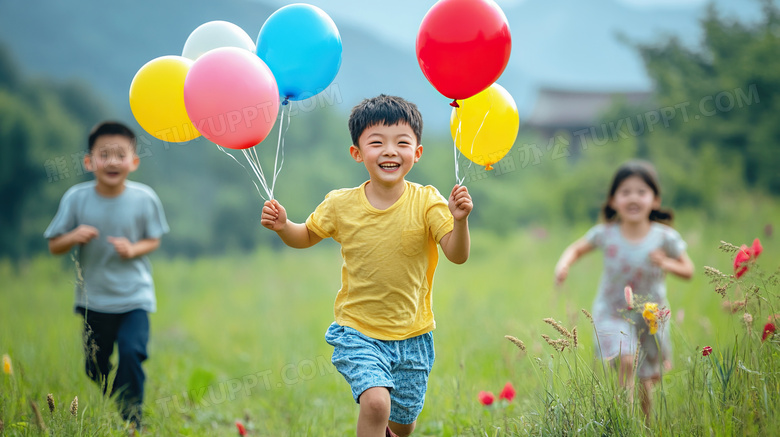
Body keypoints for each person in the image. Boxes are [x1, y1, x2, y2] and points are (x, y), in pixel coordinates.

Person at [261, 95, 472, 437]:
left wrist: (459, 221)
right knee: (376, 404)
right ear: (357, 153)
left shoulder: (428, 201)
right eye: (377, 142)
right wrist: (285, 225)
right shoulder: (340, 204)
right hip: (358, 330)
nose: (390, 151)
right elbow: (306, 235)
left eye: (402, 142)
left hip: (414, 334)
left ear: (416, 153)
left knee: (402, 426)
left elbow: (457, 253)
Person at [44, 121, 169, 430]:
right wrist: (73, 236)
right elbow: (54, 245)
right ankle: (120, 401)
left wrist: (133, 249)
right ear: (89, 161)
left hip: (135, 297)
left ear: (134, 162)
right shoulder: (76, 198)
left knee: (131, 353)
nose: (112, 161)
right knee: (94, 368)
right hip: (94, 300)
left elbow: (154, 239)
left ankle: (133, 422)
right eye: (104, 154)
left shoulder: (145, 198)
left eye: (120, 154)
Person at [554, 160, 693, 421]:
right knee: (627, 360)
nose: (633, 198)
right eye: (625, 192)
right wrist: (563, 264)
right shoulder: (606, 234)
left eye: (641, 192)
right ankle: (624, 423)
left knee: (645, 380)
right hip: (612, 312)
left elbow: (689, 270)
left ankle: (645, 425)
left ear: (655, 199)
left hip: (651, 317)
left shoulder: (664, 238)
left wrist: (667, 263)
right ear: (613, 200)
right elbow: (576, 249)